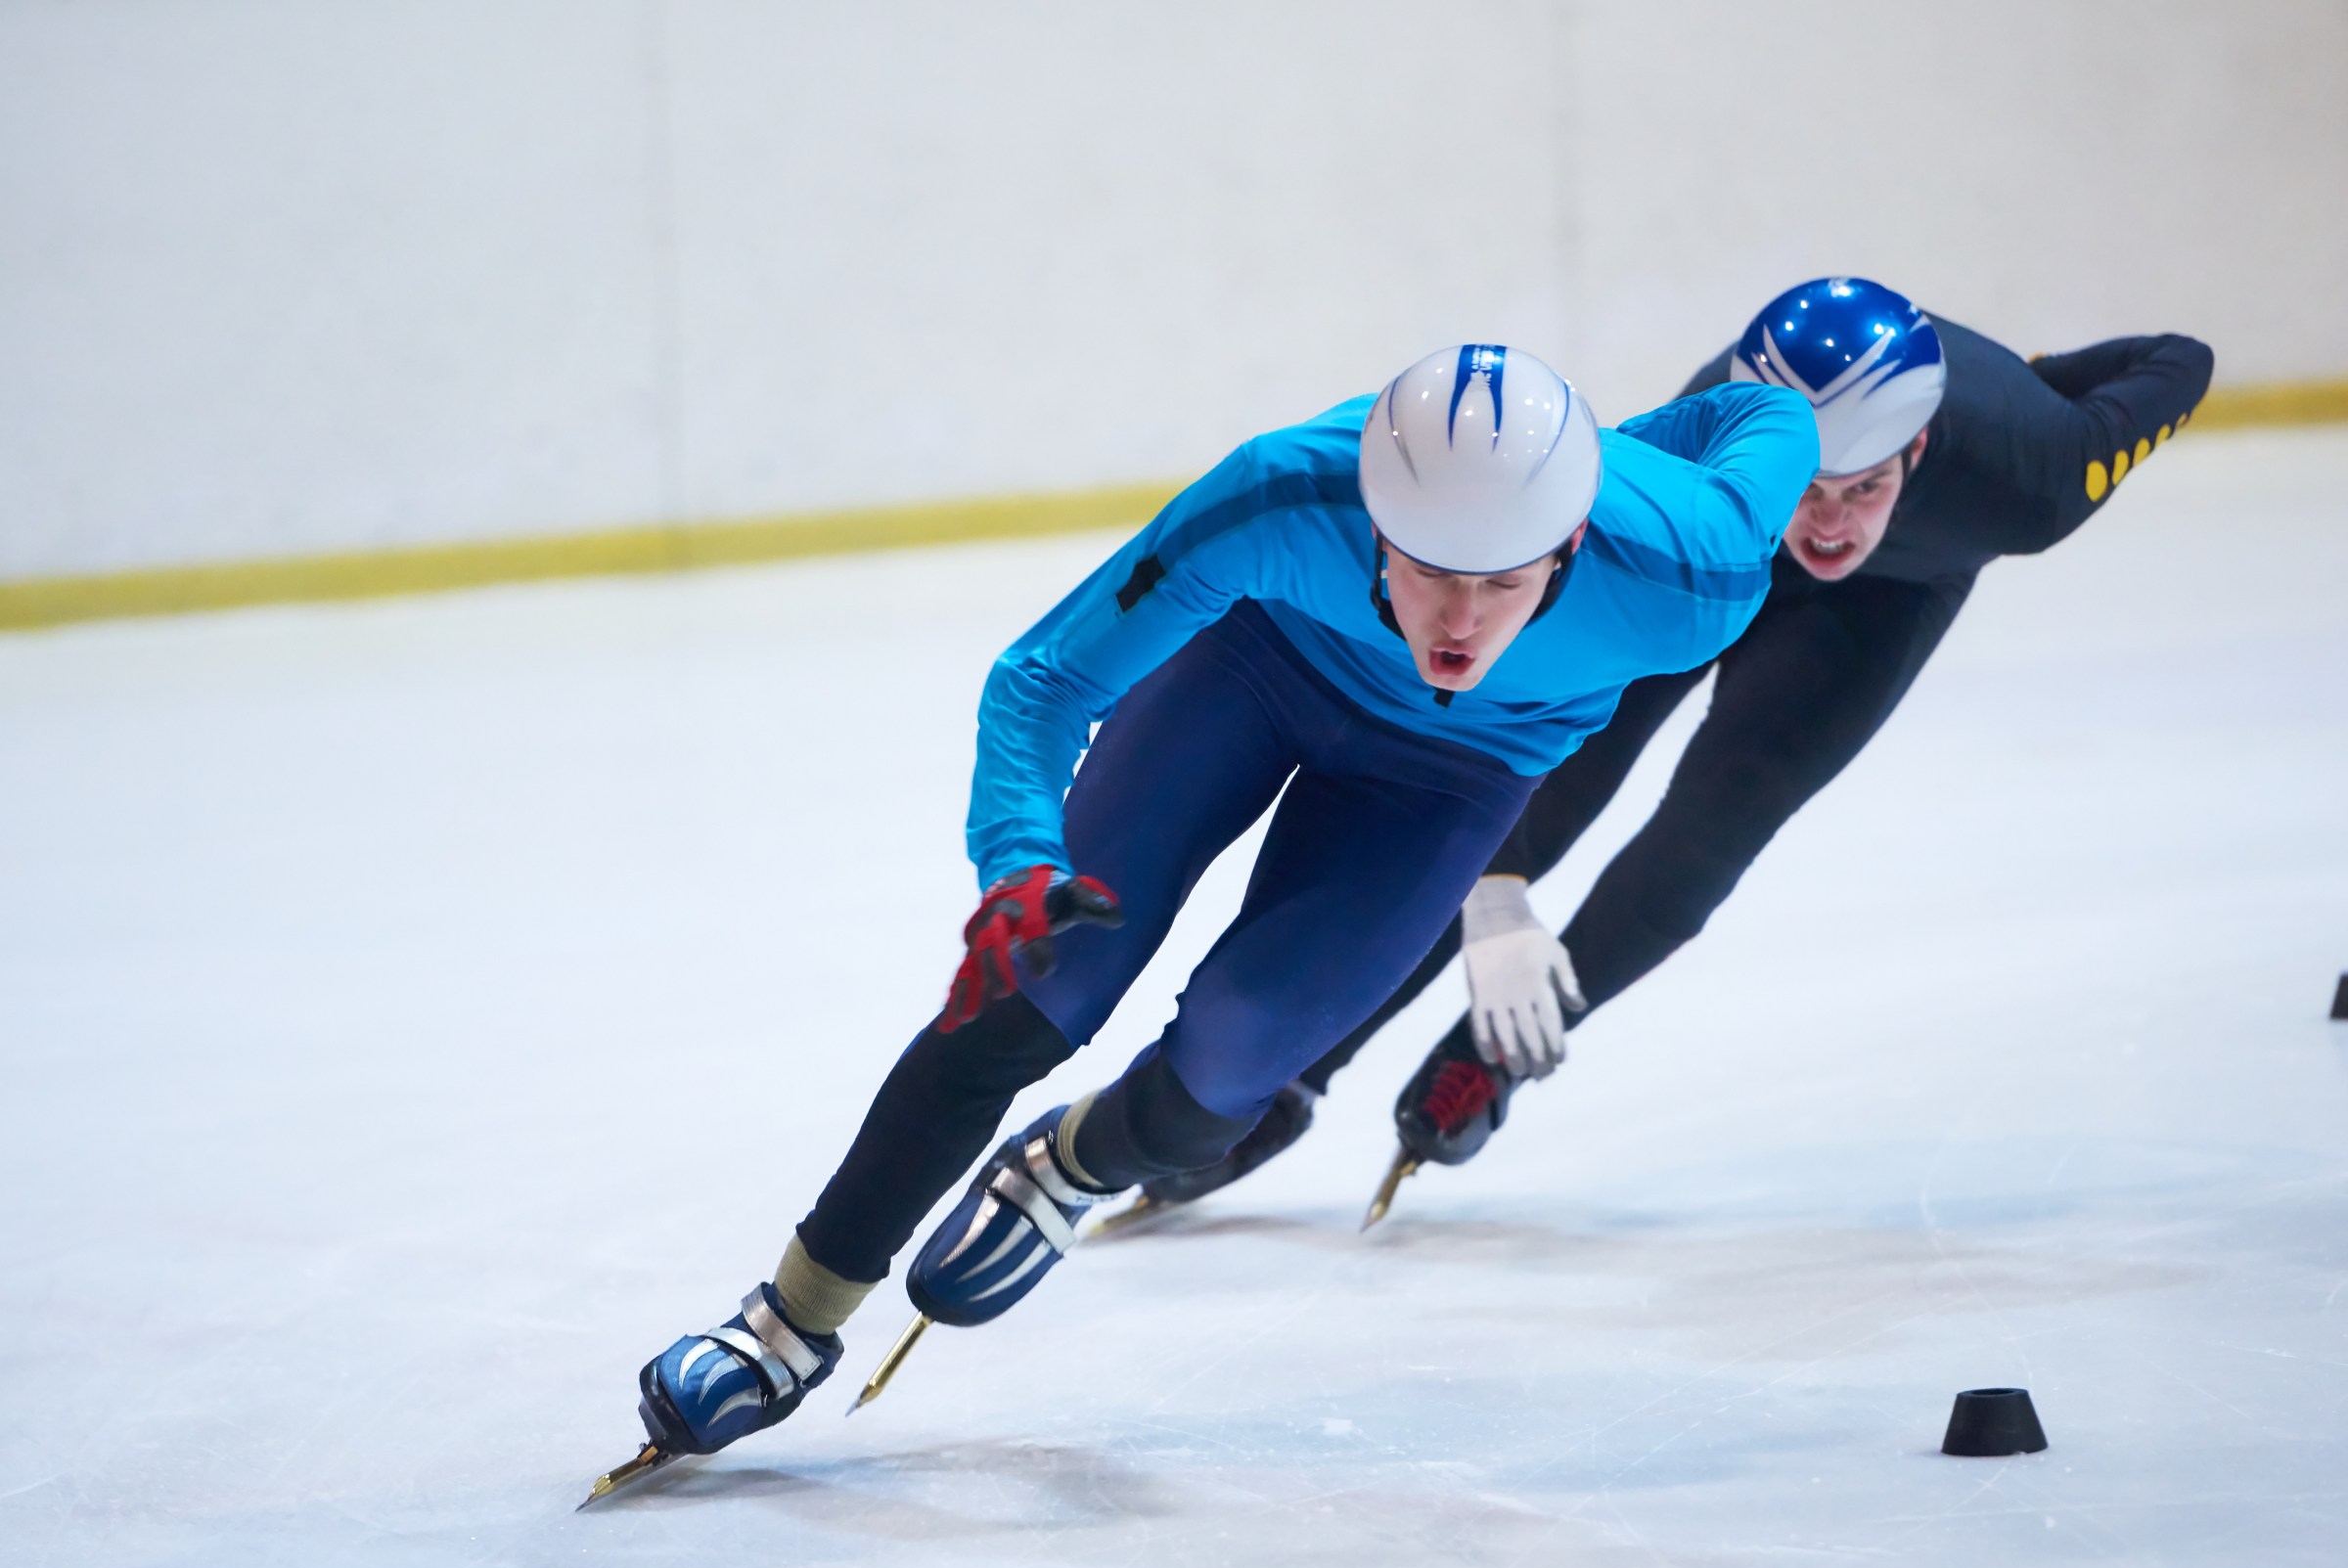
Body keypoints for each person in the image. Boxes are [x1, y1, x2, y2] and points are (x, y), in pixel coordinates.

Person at [584, 342, 1816, 1495]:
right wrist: (1018, 855)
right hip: (1255, 671)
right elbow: (1045, 678)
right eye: (1430, 567)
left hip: (1455, 774)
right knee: (1036, 987)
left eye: (1503, 582)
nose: (1458, 621)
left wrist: (1630, 449)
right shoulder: (1283, 498)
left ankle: (1075, 1167)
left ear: (1569, 546)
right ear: (1371, 520)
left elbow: (1765, 410)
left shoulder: (1691, 571)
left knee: (1228, 1068)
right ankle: (786, 1326)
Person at [1134, 277, 2215, 1220]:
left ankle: (1498, 1054)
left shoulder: (2037, 474)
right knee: (1539, 808)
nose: (1829, 525)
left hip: (1888, 603)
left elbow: (2182, 359)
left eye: (1867, 489)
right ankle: (1294, 1075)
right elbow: (1524, 681)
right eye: (1809, 489)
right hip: (1717, 553)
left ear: (1920, 447)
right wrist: (1498, 888)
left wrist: (2019, 382)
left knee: (1718, 821)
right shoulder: (1697, 453)